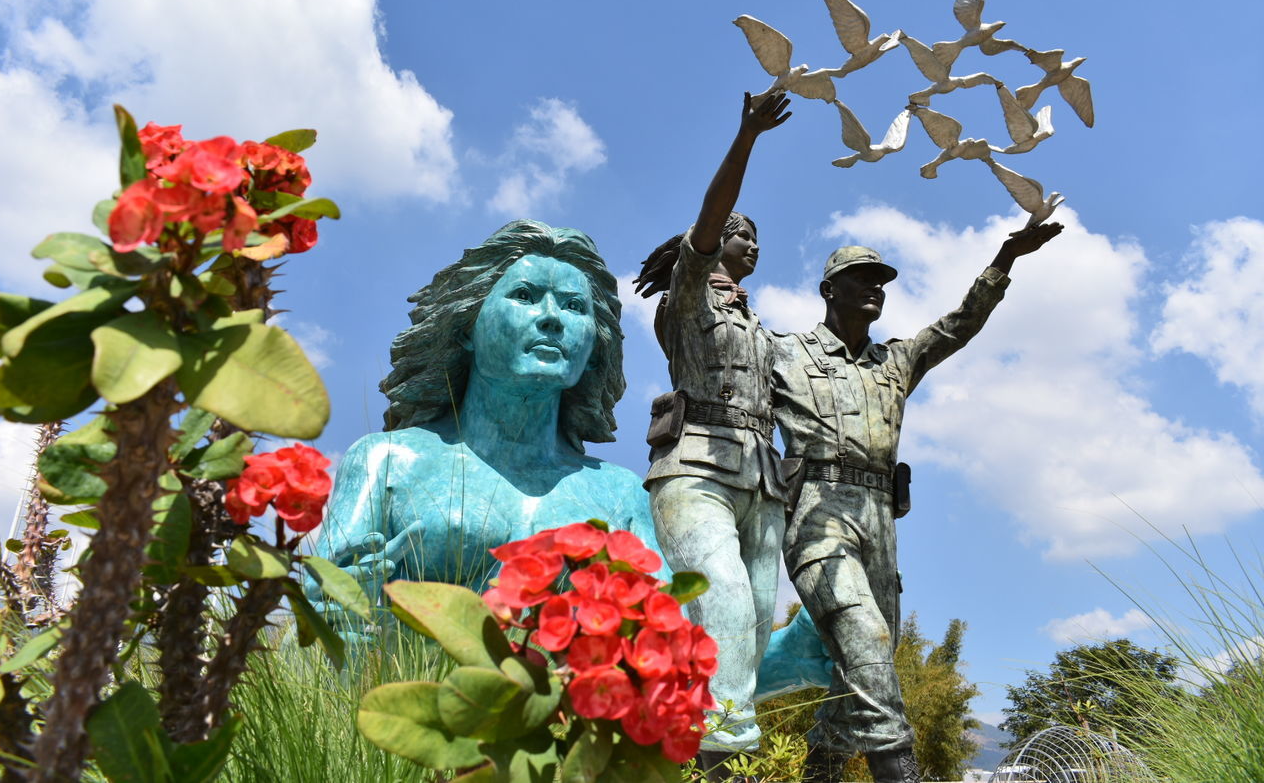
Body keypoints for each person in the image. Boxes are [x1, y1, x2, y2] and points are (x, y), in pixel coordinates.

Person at [771, 224, 1063, 783]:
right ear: (829, 288)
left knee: (861, 665)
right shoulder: (785, 352)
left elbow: (959, 325)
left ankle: (819, 773)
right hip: (817, 513)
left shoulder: (897, 360)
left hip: (880, 518)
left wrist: (1004, 258)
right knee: (867, 640)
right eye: (862, 278)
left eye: (882, 280)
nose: (876, 288)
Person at [310, 220, 653, 615]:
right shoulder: (386, 462)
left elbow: (668, 637)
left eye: (574, 306)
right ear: (465, 327)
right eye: (524, 295)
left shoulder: (621, 494)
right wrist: (340, 618)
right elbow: (312, 626)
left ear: (595, 347)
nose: (552, 318)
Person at [634, 91, 792, 780]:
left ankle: (692, 744)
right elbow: (706, 220)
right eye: (741, 230)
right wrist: (747, 137)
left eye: (757, 236)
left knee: (753, 621)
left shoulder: (763, 329)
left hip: (761, 477)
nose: (751, 242)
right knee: (722, 598)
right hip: (696, 464)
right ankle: (722, 766)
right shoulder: (689, 289)